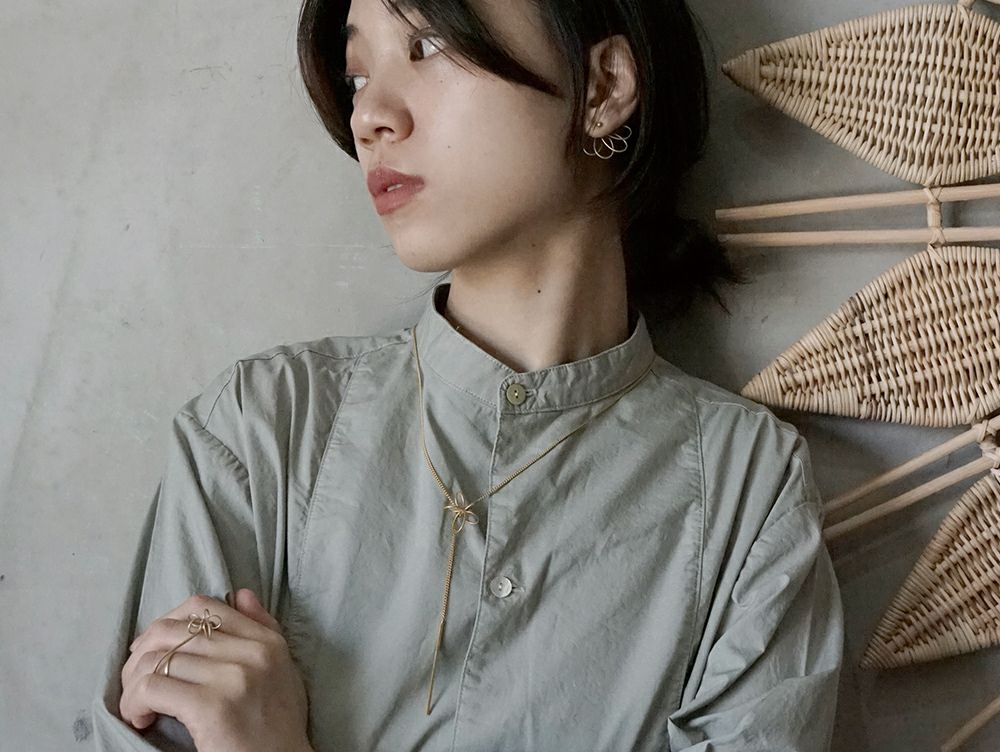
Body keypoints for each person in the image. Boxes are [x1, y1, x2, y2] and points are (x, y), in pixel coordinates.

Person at [91, 0, 845, 749]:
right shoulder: (261, 431)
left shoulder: (749, 490)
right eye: (357, 78)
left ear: (604, 86)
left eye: (426, 47)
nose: (370, 117)